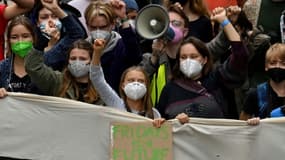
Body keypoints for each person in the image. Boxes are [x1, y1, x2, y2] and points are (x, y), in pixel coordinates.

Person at [156, 7, 248, 119]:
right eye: (183, 57)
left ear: (204, 59)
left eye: (194, 56)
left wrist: (225, 21)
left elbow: (240, 55)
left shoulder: (217, 80)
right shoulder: (169, 89)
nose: (188, 60)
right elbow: (160, 123)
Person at [89, 38, 188, 126]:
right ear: (123, 85)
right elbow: (96, 78)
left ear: (146, 86)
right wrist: (97, 52)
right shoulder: (116, 103)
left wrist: (177, 122)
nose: (136, 83)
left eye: (140, 81)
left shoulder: (154, 114)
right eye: (131, 80)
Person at [84, 0, 142, 93]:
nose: (98, 31)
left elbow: (135, 56)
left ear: (112, 24)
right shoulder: (83, 48)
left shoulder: (121, 46)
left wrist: (123, 18)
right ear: (87, 25)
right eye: (93, 27)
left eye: (103, 27)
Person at [24, 38, 104, 105]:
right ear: (68, 61)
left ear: (92, 61)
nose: (77, 62)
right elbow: (33, 68)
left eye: (82, 59)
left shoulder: (101, 88)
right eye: (73, 58)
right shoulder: (57, 81)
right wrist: (38, 46)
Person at [28, 0, 86, 71]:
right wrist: (50, 47)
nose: (50, 21)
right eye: (44, 17)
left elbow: (78, 34)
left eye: (55, 16)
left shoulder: (68, 42)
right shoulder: (30, 43)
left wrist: (56, 9)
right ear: (37, 22)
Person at [240, 43, 285, 121]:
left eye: (283, 63)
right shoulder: (255, 94)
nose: (278, 66)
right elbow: (242, 125)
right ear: (266, 66)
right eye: (273, 63)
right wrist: (251, 123)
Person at [0, 16, 40, 95]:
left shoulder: (45, 66)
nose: (20, 41)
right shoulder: (1, 68)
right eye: (14, 37)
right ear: (9, 41)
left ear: (33, 38)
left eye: (25, 36)